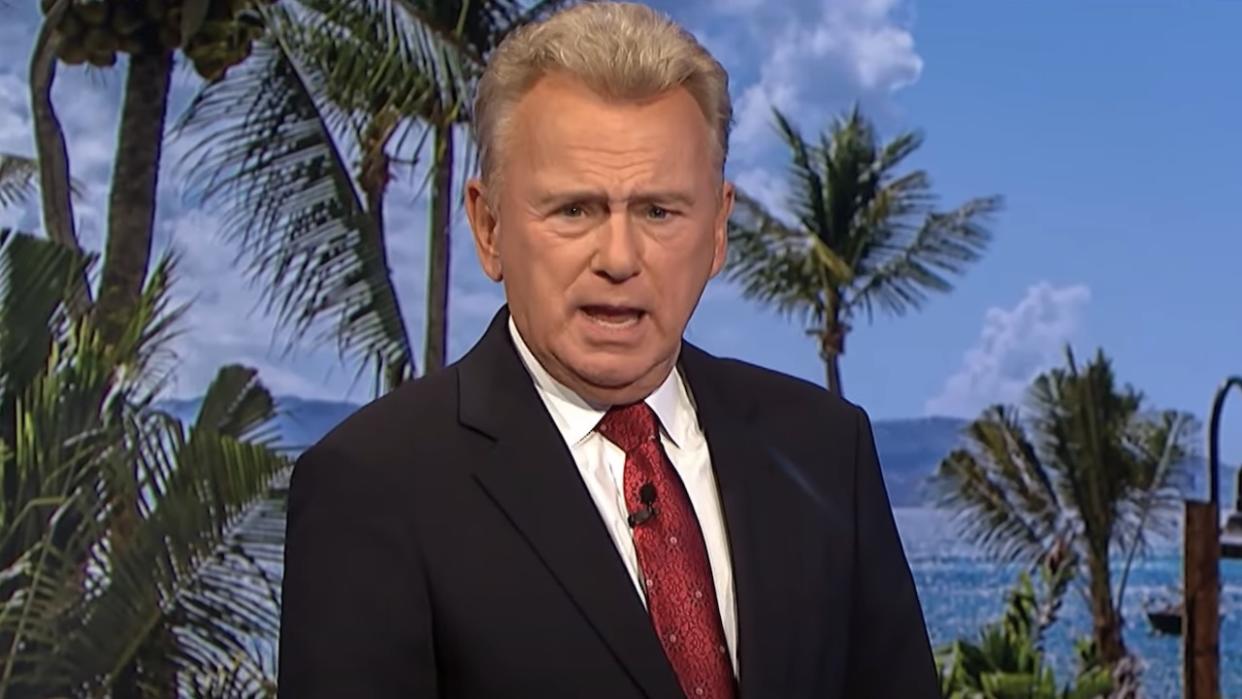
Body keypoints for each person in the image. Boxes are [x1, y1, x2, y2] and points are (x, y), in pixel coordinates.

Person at [277, 3, 938, 697]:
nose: (619, 258)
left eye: (658, 211)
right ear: (490, 226)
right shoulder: (372, 486)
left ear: (716, 230)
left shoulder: (824, 449)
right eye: (574, 210)